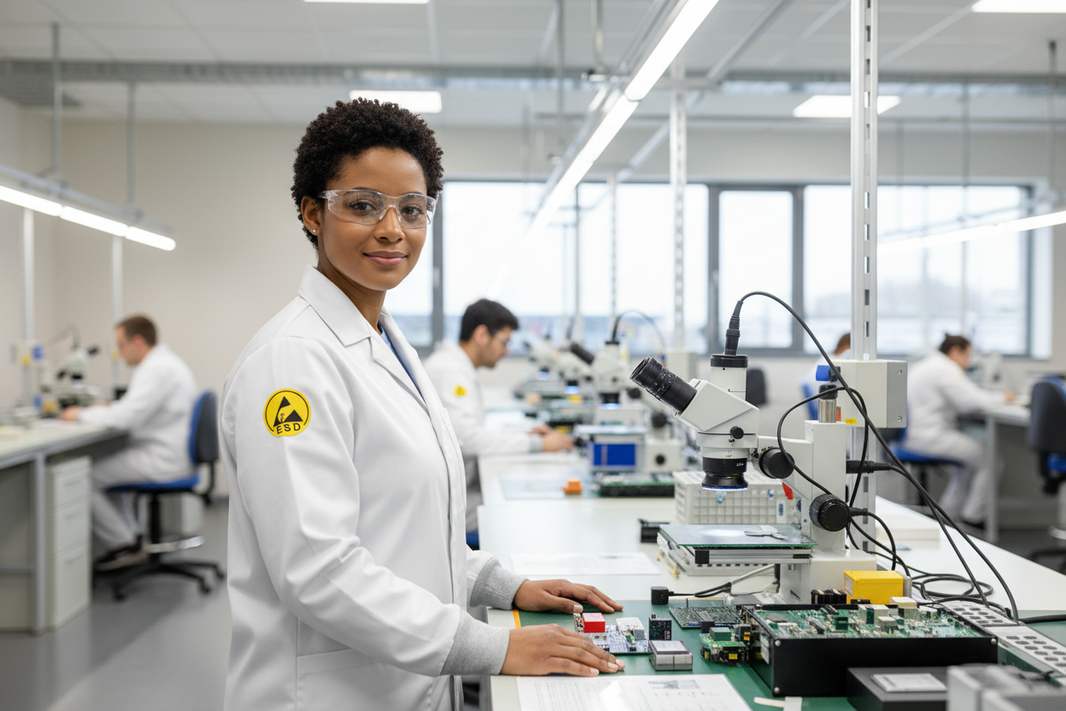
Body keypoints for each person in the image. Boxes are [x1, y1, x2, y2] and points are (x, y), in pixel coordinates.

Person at [220, 99, 624, 711]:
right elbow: (319, 570)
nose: (393, 229)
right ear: (312, 213)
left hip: (403, 682)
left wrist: (506, 586)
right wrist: (494, 647)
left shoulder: (388, 342)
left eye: (412, 209)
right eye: (363, 205)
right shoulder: (291, 363)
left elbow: (415, 533)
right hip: (330, 696)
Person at [424, 299, 574, 539]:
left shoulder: (456, 367)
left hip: (457, 490)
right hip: (448, 506)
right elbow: (466, 438)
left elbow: (468, 431)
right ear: (482, 335)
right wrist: (538, 445)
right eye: (504, 341)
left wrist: (525, 436)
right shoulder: (448, 371)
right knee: (527, 516)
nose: (506, 351)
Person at [60, 315, 197, 570]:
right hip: (169, 453)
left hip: (162, 458)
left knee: (87, 475)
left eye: (121, 345)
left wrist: (78, 414)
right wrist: (107, 409)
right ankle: (129, 539)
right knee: (106, 467)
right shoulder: (165, 364)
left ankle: (123, 544)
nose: (119, 353)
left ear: (138, 342)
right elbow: (131, 410)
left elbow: (125, 418)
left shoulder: (155, 369)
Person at [905, 334, 1014, 529]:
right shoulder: (944, 369)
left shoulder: (926, 365)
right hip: (929, 435)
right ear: (955, 351)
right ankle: (972, 517)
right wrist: (1003, 398)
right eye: (968, 355)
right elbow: (970, 401)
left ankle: (949, 514)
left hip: (915, 435)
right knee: (989, 459)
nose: (969, 362)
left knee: (969, 462)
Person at [799, 333, 850, 417]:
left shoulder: (829, 358)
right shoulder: (834, 362)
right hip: (823, 407)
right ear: (846, 346)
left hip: (822, 403)